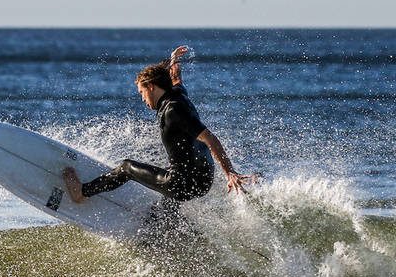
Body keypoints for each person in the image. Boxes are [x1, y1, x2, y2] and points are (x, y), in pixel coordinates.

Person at [63, 45, 255, 204]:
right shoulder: (178, 92)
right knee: (166, 175)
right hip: (202, 181)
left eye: (141, 92)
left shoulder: (173, 111)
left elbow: (210, 139)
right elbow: (177, 77)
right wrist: (174, 60)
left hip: (183, 184)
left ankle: (82, 192)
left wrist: (230, 173)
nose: (142, 99)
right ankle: (166, 222)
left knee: (127, 167)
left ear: (151, 87)